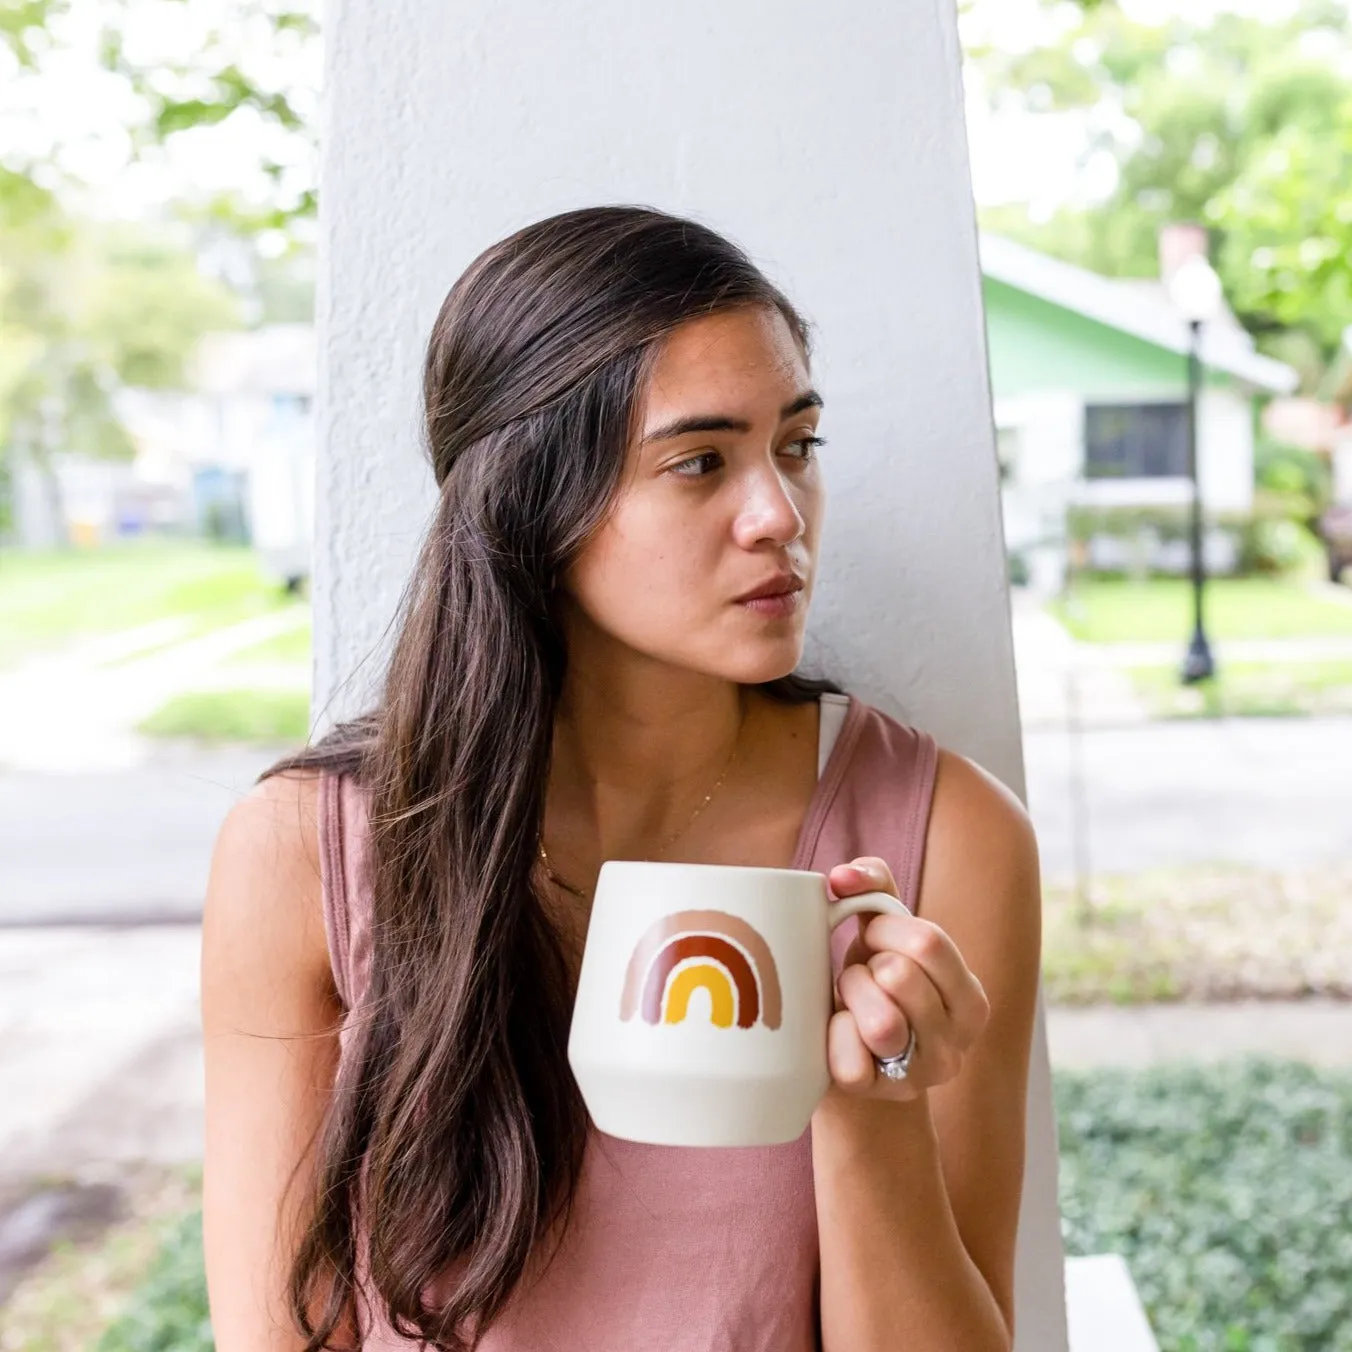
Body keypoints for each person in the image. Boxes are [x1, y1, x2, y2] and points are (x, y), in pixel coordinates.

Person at [201, 205, 1041, 1352]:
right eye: (699, 462)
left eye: (795, 444)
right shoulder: (306, 852)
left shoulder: (944, 835)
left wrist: (866, 1106)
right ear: (530, 501)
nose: (778, 515)